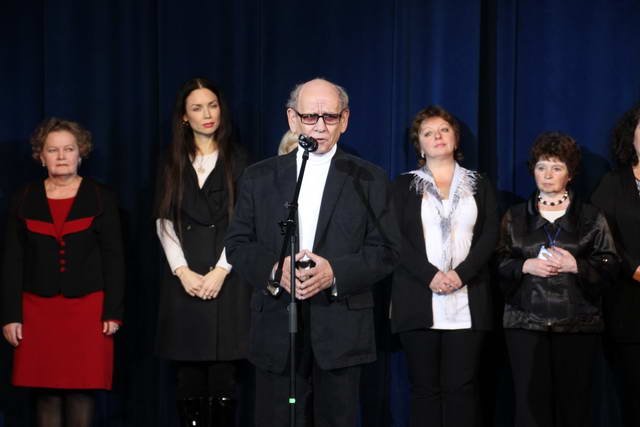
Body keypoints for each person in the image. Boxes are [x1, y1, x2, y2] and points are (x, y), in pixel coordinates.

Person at [225, 78, 400, 426]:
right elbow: (238, 244)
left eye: (330, 117)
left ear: (344, 120)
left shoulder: (370, 178)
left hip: (341, 328)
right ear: (293, 119)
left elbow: (386, 250)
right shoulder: (258, 177)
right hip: (277, 324)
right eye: (310, 117)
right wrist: (275, 270)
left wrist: (335, 272)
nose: (320, 126)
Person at [1, 118, 125, 427]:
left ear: (80, 153)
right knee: (46, 394)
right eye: (53, 150)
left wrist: (113, 312)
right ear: (41, 156)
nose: (61, 156)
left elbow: (114, 258)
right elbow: (12, 261)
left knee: (82, 392)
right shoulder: (23, 197)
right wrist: (10, 316)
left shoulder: (102, 196)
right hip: (36, 309)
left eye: (68, 149)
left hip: (88, 309)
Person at [497, 132, 618, 427]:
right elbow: (497, 263)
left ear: (570, 174)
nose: (548, 175)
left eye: (556, 167)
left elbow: (610, 264)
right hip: (525, 323)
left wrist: (577, 265)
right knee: (530, 408)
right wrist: (525, 265)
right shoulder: (514, 216)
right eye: (541, 167)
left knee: (574, 406)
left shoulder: (591, 216)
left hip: (577, 323)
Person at [391, 106, 498, 427]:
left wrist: (460, 274)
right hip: (418, 297)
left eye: (444, 130)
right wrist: (431, 276)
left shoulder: (479, 183)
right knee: (424, 390)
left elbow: (490, 235)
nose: (437, 137)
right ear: (419, 145)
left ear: (456, 138)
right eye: (428, 133)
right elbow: (394, 238)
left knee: (461, 389)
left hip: (467, 299)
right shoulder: (403, 185)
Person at [155, 78, 250, 426]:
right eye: (197, 108)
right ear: (184, 116)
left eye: (212, 105)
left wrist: (222, 270)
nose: (207, 114)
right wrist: (182, 271)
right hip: (186, 280)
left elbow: (246, 221)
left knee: (225, 376)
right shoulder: (171, 161)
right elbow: (164, 219)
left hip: (228, 277)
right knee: (188, 377)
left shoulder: (239, 159)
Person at [591, 104, 640, 427]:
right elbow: (600, 233)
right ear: (631, 138)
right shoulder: (612, 183)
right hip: (628, 302)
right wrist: (633, 268)